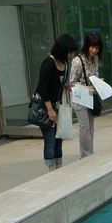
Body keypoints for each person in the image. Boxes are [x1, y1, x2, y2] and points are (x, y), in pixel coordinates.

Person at [34, 34, 78, 171]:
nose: (71, 55)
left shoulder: (65, 64)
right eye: (70, 52)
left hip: (58, 107)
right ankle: (51, 171)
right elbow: (43, 88)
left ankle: (59, 167)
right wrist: (49, 109)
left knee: (59, 139)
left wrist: (66, 87)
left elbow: (56, 84)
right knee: (50, 140)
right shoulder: (48, 63)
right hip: (46, 107)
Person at [70, 32, 103, 158]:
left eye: (97, 48)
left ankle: (90, 153)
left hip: (90, 97)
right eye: (92, 47)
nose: (94, 50)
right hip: (79, 98)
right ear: (87, 45)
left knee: (90, 128)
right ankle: (85, 155)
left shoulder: (95, 59)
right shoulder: (77, 61)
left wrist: (99, 83)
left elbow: (95, 75)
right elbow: (72, 83)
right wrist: (89, 87)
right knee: (84, 127)